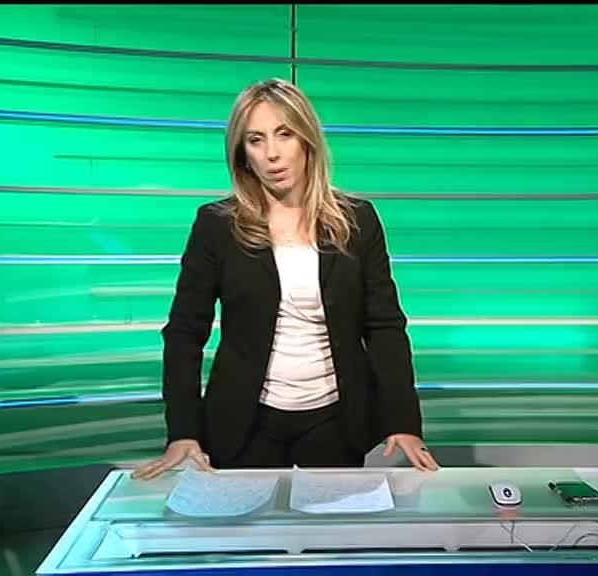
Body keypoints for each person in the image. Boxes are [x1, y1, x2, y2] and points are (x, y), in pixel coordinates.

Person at [132, 78, 439, 480]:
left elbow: (384, 326)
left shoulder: (358, 221)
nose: (272, 154)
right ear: (242, 154)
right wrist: (183, 431)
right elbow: (185, 333)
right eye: (255, 140)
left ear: (308, 141)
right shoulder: (217, 225)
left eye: (284, 134)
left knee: (331, 520)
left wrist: (403, 421)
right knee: (250, 522)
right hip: (245, 420)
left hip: (335, 418)